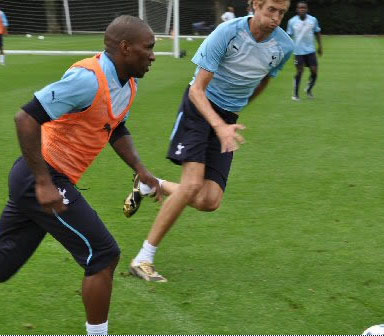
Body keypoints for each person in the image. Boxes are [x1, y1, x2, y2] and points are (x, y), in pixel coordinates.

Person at [0, 15, 161, 335]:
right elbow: (25, 118)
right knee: (104, 254)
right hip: (42, 178)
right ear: (126, 48)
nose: (154, 55)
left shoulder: (130, 82)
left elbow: (114, 127)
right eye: (149, 48)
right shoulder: (86, 79)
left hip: (42, 179)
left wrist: (141, 170)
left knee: (3, 263)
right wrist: (44, 182)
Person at [123, 0, 294, 282]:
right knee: (191, 185)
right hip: (199, 109)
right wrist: (219, 126)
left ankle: (151, 184)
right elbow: (197, 90)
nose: (275, 18)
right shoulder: (226, 33)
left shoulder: (283, 47)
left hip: (227, 117)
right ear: (255, 5)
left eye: (281, 13)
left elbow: (264, 79)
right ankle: (143, 258)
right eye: (270, 10)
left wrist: (234, 113)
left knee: (209, 200)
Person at [286, 1, 322, 100]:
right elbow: (288, 36)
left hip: (311, 51)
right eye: (300, 8)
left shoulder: (313, 20)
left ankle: (309, 89)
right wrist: (287, 49)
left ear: (307, 9)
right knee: (300, 71)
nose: (302, 9)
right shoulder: (292, 21)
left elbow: (317, 32)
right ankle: (295, 94)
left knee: (314, 72)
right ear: (297, 10)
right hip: (298, 52)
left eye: (304, 8)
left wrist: (320, 46)